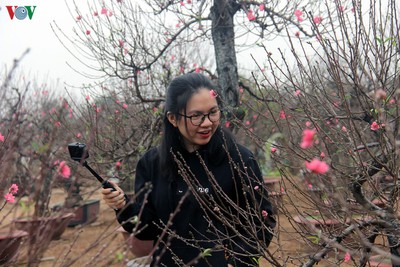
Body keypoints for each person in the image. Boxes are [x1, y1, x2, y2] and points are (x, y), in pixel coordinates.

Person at [102, 73, 276, 267]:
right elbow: (147, 229)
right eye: (196, 116)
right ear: (173, 119)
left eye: (213, 112)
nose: (207, 122)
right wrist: (123, 207)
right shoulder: (152, 163)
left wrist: (236, 262)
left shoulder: (239, 159)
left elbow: (262, 223)